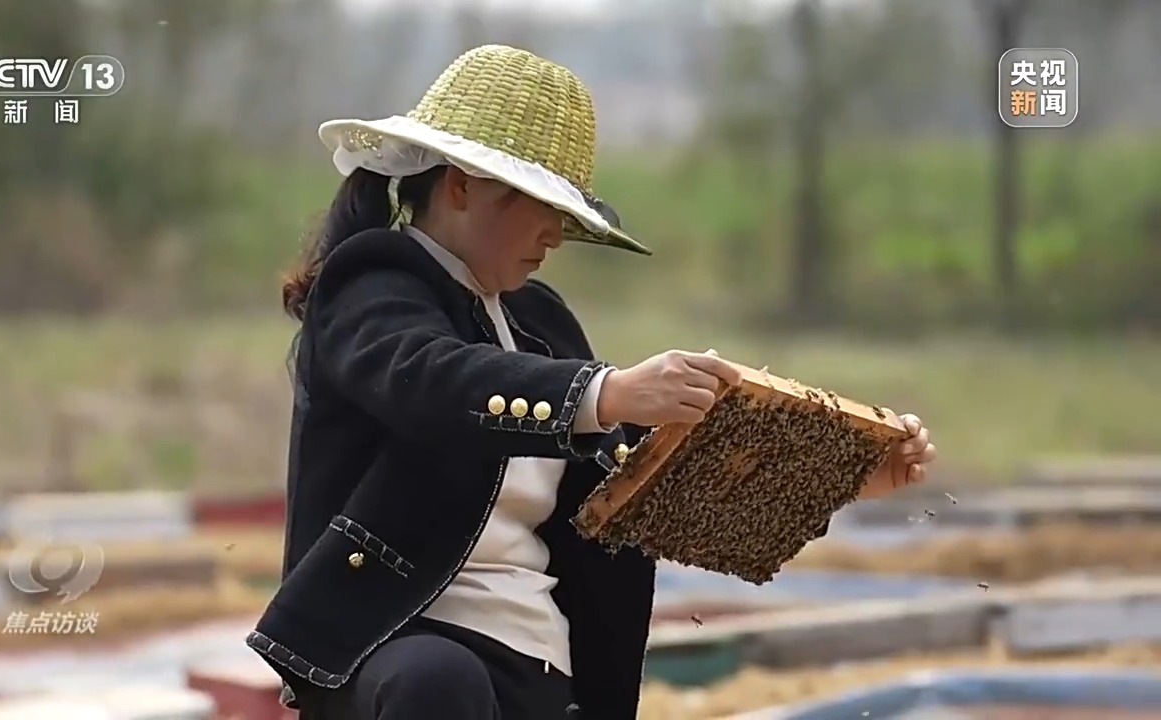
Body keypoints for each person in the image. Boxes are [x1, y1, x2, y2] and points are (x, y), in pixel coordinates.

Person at [247, 45, 937, 720]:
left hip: (541, 663)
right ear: (461, 186)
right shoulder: (372, 285)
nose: (555, 234)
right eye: (542, 204)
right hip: (393, 647)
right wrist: (607, 393)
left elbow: (640, 491)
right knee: (437, 681)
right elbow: (430, 379)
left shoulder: (540, 321)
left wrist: (838, 479)